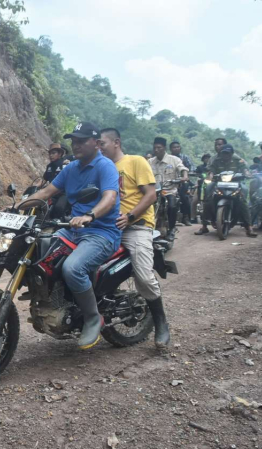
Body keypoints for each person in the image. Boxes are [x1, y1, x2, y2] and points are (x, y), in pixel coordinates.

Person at [25, 122, 121, 350]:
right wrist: (16, 206)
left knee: (72, 268)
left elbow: (109, 198)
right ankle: (57, 301)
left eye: (81, 140)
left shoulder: (105, 166)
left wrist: (90, 215)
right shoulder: (71, 168)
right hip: (73, 228)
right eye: (73, 140)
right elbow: (47, 192)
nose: (75, 144)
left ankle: (92, 317)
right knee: (38, 252)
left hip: (102, 232)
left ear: (97, 143)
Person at [99, 128, 170, 347]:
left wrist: (130, 217)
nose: (99, 148)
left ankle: (160, 323)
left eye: (102, 143)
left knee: (144, 276)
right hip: (106, 229)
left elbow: (151, 195)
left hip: (135, 227)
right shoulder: (102, 168)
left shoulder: (135, 161)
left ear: (116, 142)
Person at [194, 144, 257, 237]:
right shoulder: (215, 160)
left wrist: (247, 174)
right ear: (221, 153)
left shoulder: (238, 160)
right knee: (208, 198)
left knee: (243, 200)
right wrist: (210, 177)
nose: (225, 155)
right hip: (218, 183)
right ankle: (204, 226)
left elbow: (245, 169)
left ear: (231, 153)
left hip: (236, 183)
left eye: (228, 153)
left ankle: (249, 227)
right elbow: (210, 171)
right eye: (224, 153)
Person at [149, 137, 189, 240]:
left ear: (164, 148)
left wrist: (184, 176)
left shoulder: (174, 159)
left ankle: (172, 229)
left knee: (172, 206)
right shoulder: (150, 161)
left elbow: (182, 168)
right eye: (155, 148)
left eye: (159, 147)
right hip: (154, 191)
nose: (156, 150)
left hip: (169, 190)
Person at [169, 141, 193, 226]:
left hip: (182, 181)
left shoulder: (185, 157)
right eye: (174, 147)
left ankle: (185, 217)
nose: (176, 148)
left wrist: (185, 176)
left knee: (184, 197)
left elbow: (190, 168)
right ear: (170, 149)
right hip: (169, 181)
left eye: (178, 147)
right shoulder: (168, 158)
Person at [190, 154, 211, 224]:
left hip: (210, 187)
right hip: (200, 186)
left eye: (208, 158)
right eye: (205, 158)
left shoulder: (213, 167)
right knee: (194, 201)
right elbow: (195, 173)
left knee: (209, 202)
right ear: (203, 159)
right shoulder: (200, 167)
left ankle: (209, 217)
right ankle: (193, 217)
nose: (207, 159)